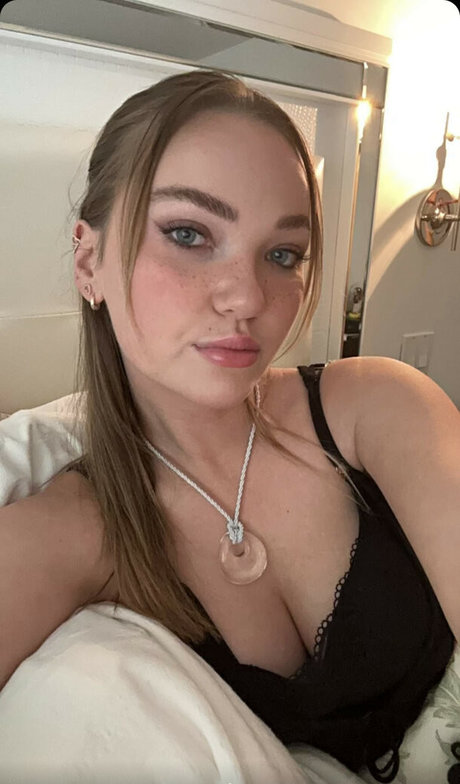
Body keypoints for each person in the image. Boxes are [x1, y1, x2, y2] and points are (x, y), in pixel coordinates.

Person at [0, 69, 458, 783]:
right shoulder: (74, 527)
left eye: (283, 255)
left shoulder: (375, 407)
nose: (247, 297)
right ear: (88, 261)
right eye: (188, 234)